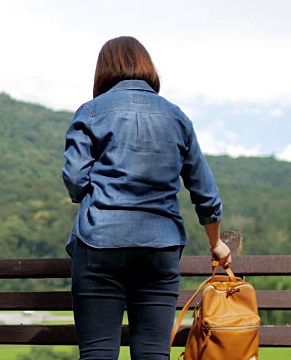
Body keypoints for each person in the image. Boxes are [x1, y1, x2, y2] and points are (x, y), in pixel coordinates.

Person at [62, 36, 232, 360]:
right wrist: (216, 244)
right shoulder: (177, 116)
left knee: (97, 353)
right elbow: (205, 193)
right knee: (154, 354)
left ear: (103, 70)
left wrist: (94, 196)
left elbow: (73, 177)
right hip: (160, 247)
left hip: (100, 243)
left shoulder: (90, 112)